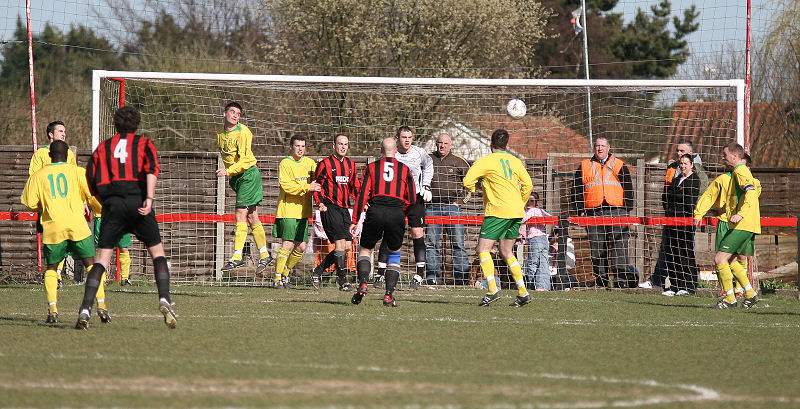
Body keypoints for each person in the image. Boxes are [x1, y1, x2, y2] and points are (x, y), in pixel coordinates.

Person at [77, 105, 176, 329]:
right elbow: (152, 170)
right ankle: (164, 298)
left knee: (102, 260)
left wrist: (105, 202)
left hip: (113, 204)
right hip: (139, 201)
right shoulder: (144, 144)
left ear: (115, 124)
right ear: (137, 124)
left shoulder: (104, 147)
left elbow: (90, 177)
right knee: (157, 253)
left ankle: (85, 309)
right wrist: (149, 199)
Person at [21, 140, 106, 324]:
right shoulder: (78, 172)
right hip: (78, 226)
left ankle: (53, 309)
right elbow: (93, 196)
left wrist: (43, 207)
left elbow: (28, 202)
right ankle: (101, 305)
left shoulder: (39, 175)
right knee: (91, 264)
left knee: (52, 268)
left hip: (53, 228)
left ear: (49, 155)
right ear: (68, 155)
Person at [463, 129, 533, 307]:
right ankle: (523, 292)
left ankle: (493, 289)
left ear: (490, 144)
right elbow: (529, 185)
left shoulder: (486, 161)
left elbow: (467, 181)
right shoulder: (515, 161)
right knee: (506, 252)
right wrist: (520, 202)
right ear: (507, 145)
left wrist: (478, 186)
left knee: (482, 249)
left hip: (497, 212)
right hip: (516, 212)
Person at [350, 137, 416, 307]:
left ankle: (363, 283)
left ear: (381, 150)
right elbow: (412, 199)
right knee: (394, 253)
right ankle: (388, 295)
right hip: (396, 212)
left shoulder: (372, 167)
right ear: (396, 151)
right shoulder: (404, 169)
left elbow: (362, 194)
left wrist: (355, 220)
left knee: (366, 249)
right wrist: (402, 213)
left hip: (376, 210)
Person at [694, 143, 761, 308]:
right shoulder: (731, 176)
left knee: (720, 258)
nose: (722, 158)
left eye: (725, 154)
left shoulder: (740, 171)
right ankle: (750, 294)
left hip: (742, 224)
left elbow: (751, 191)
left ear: (735, 156)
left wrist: (741, 213)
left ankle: (730, 298)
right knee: (730, 260)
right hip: (741, 224)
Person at [640, 140, 707, 290]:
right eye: (677, 151)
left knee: (685, 251)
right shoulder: (673, 170)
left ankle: (687, 284)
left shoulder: (698, 174)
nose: (679, 154)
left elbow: (698, 195)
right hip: (671, 217)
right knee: (668, 250)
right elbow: (667, 193)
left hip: (686, 219)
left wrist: (695, 212)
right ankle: (667, 283)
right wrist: (669, 206)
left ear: (690, 156)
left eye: (682, 151)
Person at [215, 102, 273, 275]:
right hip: (238, 179)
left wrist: (228, 171)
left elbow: (246, 160)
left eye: (238, 113)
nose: (235, 115)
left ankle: (237, 256)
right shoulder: (220, 134)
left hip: (248, 175)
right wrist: (231, 175)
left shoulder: (243, 132)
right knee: (252, 216)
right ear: (224, 113)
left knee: (240, 214)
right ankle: (264, 254)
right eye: (232, 112)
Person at [570, 136, 636, 288]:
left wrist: (626, 208)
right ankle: (601, 281)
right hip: (593, 212)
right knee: (597, 249)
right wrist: (580, 210)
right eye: (597, 146)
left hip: (617, 211)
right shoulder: (585, 165)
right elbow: (575, 190)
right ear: (594, 148)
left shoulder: (619, 164)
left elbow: (628, 187)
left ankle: (621, 281)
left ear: (608, 148)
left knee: (620, 247)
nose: (599, 148)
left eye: (602, 146)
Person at [375, 126, 433, 290]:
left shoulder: (419, 153)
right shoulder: (391, 153)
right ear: (397, 138)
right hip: (396, 199)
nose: (407, 140)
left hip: (415, 198)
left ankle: (419, 275)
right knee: (389, 232)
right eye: (403, 137)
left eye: (409, 137)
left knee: (417, 233)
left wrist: (426, 185)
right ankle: (380, 273)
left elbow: (429, 166)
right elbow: (380, 169)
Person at [29, 120, 79, 286]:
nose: (63, 134)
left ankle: (56, 274)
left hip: (67, 207)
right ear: (51, 134)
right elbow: (34, 178)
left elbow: (74, 180)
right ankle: (52, 272)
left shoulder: (70, 154)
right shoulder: (40, 154)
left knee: (65, 240)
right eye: (60, 131)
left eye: (64, 131)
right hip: (48, 206)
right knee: (51, 241)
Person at [311, 134, 361, 290]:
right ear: (334, 145)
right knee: (339, 244)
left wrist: (362, 202)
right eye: (340, 144)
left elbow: (355, 187)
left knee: (346, 246)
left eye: (345, 144)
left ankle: (317, 271)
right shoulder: (325, 164)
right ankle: (343, 281)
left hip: (345, 208)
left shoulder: (351, 164)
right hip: (330, 207)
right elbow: (316, 184)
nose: (343, 147)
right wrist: (319, 202)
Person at [272, 134, 321, 288]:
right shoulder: (285, 163)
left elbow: (320, 175)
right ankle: (276, 279)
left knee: (301, 247)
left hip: (303, 212)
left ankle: (286, 274)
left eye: (303, 146)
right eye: (297, 146)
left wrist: (323, 165)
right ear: (291, 147)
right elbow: (287, 187)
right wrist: (308, 187)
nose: (300, 149)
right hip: (288, 210)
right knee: (287, 244)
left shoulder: (310, 163)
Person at [424, 132, 471, 285]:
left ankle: (462, 279)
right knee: (431, 244)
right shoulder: (427, 159)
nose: (442, 146)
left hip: (453, 207)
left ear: (451, 145)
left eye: (445, 143)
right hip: (432, 207)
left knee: (458, 244)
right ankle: (432, 278)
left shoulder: (459, 162)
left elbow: (471, 185)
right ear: (436, 144)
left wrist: (459, 202)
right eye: (439, 143)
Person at [661, 154, 701, 296]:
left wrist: (676, 196)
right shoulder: (676, 179)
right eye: (681, 163)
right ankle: (674, 286)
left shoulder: (695, 180)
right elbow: (666, 197)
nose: (683, 166)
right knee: (671, 252)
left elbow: (688, 199)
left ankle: (688, 285)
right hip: (671, 220)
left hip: (685, 222)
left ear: (691, 164)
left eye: (685, 163)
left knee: (684, 252)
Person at [519, 192, 552, 291]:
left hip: (535, 239)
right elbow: (550, 217)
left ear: (536, 202)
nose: (529, 202)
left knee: (532, 263)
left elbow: (522, 219)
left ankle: (531, 285)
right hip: (544, 239)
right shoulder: (541, 211)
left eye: (532, 200)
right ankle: (543, 286)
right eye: (528, 200)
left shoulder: (532, 211)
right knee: (543, 263)